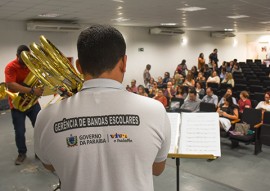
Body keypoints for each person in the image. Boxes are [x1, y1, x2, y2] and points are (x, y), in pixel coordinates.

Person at [34, 25, 171, 191]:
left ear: (78, 66)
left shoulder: (46, 117)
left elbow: (49, 166)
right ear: (124, 63)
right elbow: (157, 169)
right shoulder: (155, 110)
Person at [5, 45, 43, 165]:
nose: (26, 61)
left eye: (28, 58)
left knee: (40, 128)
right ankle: (22, 153)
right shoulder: (11, 67)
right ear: (17, 56)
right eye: (23, 58)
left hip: (33, 103)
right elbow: (11, 85)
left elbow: (39, 80)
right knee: (20, 131)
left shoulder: (32, 65)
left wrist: (39, 89)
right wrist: (32, 91)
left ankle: (40, 152)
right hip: (17, 105)